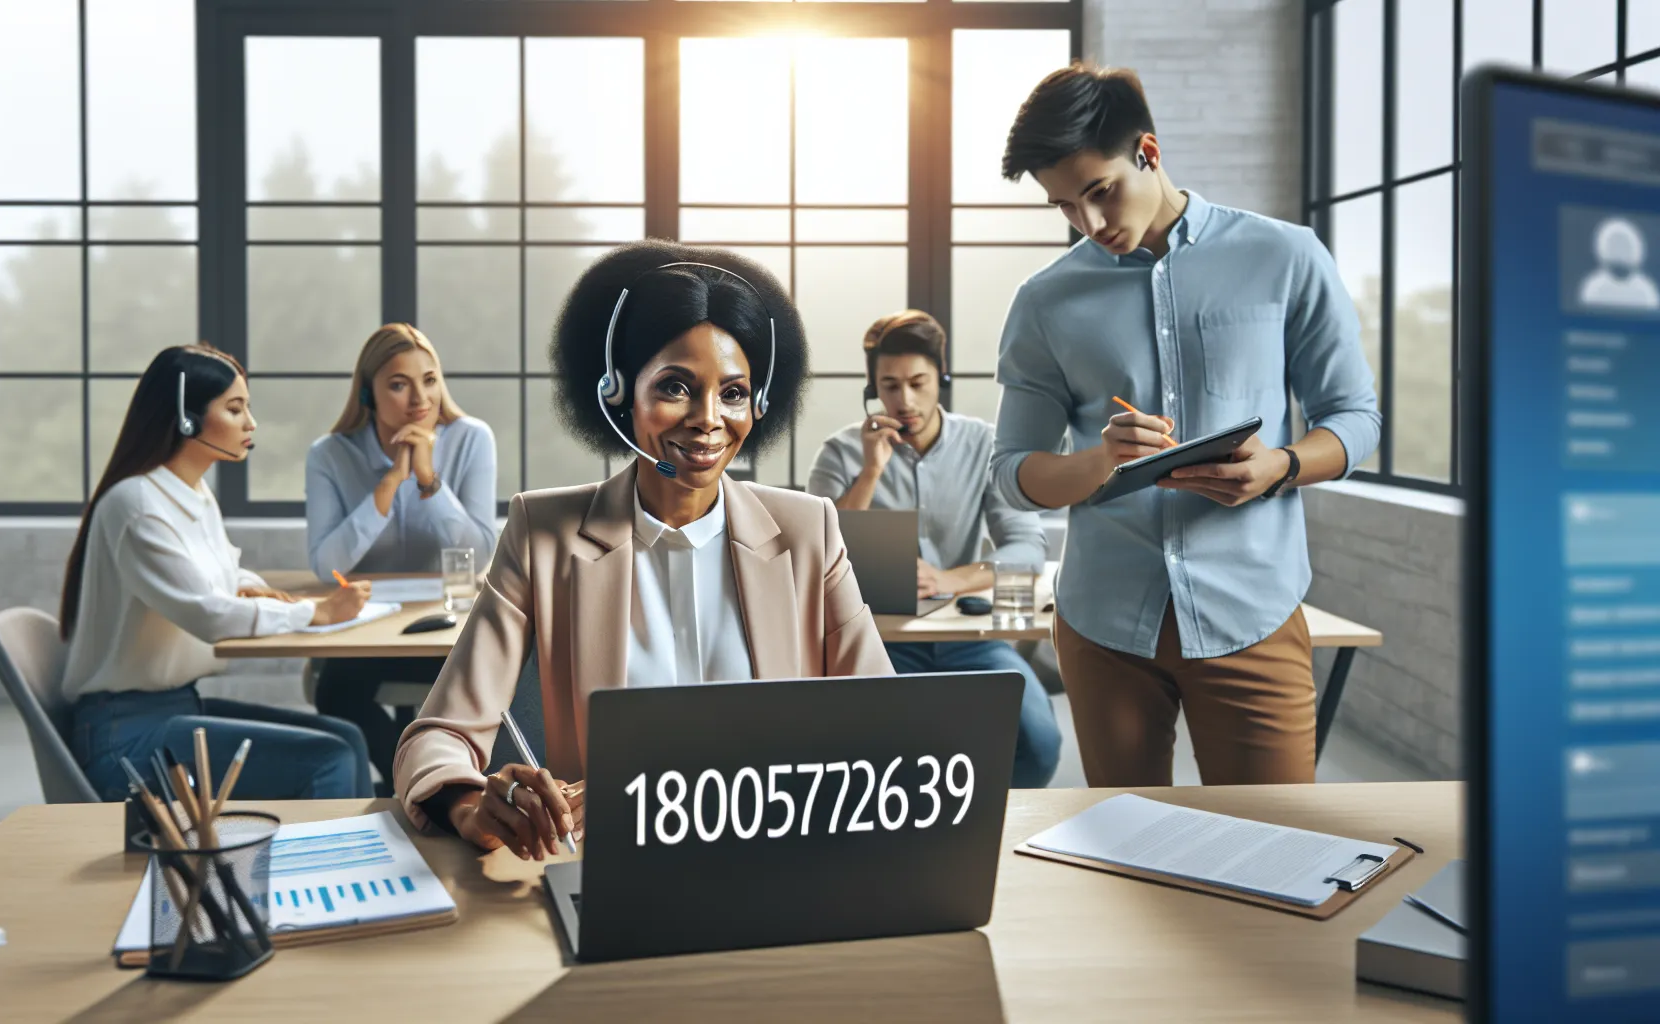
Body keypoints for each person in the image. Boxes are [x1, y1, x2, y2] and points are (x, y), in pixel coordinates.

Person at [394, 241, 895, 860]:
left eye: (734, 393)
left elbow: (886, 728)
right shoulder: (541, 532)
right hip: (611, 863)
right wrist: (471, 806)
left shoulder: (808, 531)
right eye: (676, 387)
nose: (708, 419)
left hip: (778, 859)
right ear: (617, 392)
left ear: (759, 403)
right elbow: (438, 734)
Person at [989, 63, 1381, 787]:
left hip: (1252, 612)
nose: (1091, 224)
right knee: (1132, 863)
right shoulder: (1045, 302)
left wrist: (1281, 468)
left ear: (1149, 151)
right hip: (1104, 626)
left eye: (1100, 191)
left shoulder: (1285, 257)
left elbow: (1355, 419)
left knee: (1278, 854)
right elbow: (1014, 471)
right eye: (1065, 206)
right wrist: (1098, 462)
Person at [60, 344, 375, 801]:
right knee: (330, 757)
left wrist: (254, 590)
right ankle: (324, 870)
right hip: (124, 740)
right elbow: (208, 614)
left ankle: (355, 864)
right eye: (235, 409)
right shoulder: (138, 506)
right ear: (186, 419)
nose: (251, 423)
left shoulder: (192, 494)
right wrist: (316, 613)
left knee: (347, 738)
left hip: (173, 707)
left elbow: (216, 576)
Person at [806, 310, 1062, 787]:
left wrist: (950, 579)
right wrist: (871, 471)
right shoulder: (841, 453)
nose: (905, 400)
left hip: (970, 642)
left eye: (918, 383)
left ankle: (988, 829)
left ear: (940, 379)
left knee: (1039, 741)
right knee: (863, 753)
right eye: (889, 386)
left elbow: (1028, 548)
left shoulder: (985, 445)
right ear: (872, 391)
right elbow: (818, 550)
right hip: (879, 642)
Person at [305, 323, 497, 791]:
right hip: (364, 633)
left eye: (429, 380)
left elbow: (477, 554)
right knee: (333, 690)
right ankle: (414, 785)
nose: (419, 399)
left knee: (484, 690)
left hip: (444, 630)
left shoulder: (471, 439)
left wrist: (430, 482)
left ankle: (429, 786)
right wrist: (390, 484)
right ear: (368, 394)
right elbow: (327, 565)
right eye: (398, 384)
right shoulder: (330, 455)